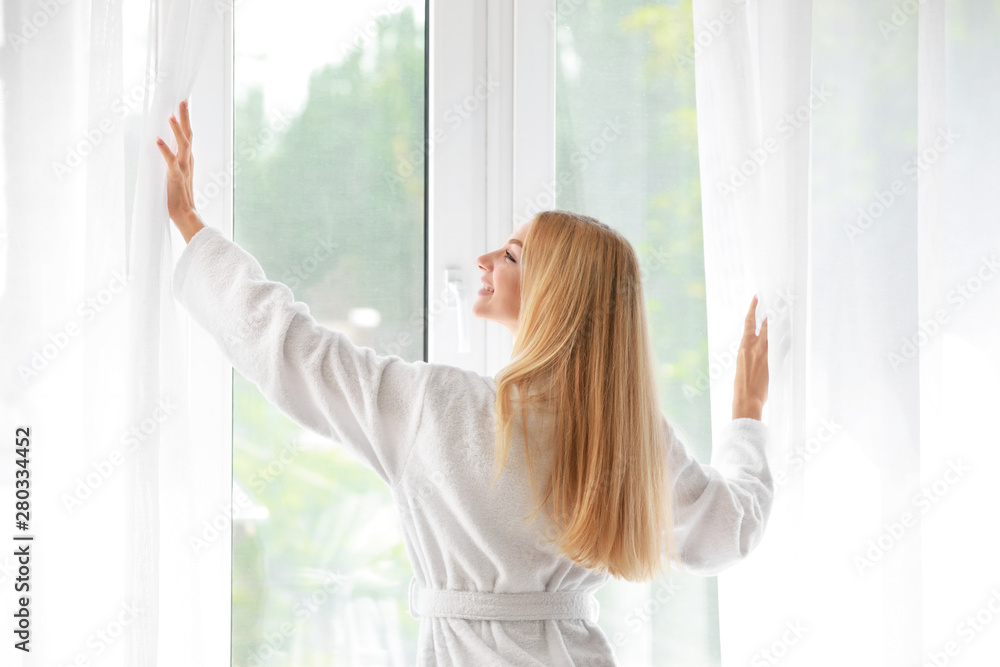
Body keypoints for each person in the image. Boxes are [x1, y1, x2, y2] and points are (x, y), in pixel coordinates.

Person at [157, 99, 773, 666]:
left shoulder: (436, 408)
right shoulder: (632, 438)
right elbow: (726, 532)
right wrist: (746, 416)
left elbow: (293, 350)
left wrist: (192, 229)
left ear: (555, 296)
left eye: (510, 256)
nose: (484, 261)